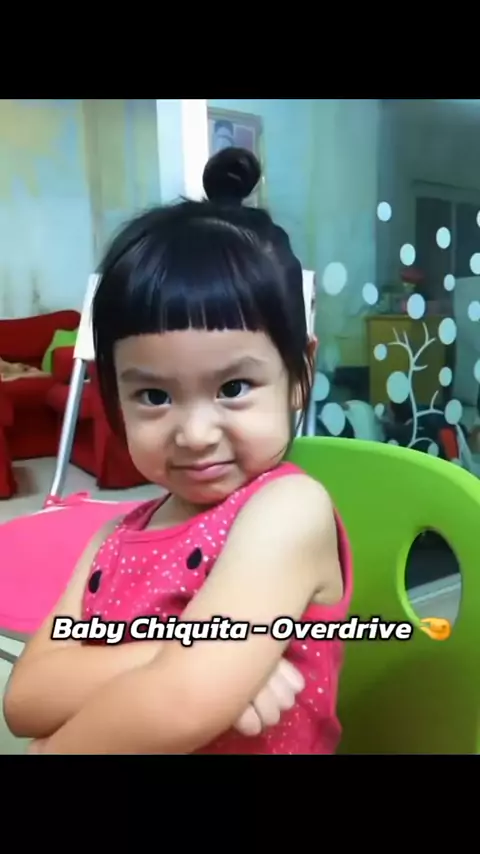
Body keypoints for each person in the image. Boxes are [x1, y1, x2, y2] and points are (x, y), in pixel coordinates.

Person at [3, 147, 353, 755]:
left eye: (233, 388)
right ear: (114, 393)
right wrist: (179, 653)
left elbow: (180, 703)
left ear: (300, 374)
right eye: (155, 395)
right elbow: (25, 699)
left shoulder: (288, 511)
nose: (194, 434)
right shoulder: (113, 536)